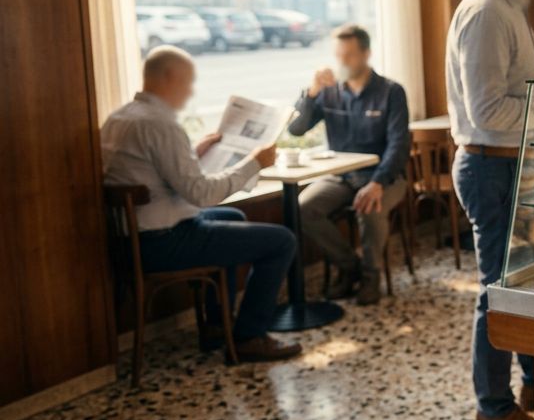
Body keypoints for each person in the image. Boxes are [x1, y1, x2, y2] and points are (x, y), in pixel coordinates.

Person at [101, 47, 300, 362]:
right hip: (160, 242)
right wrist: (254, 163)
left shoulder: (121, 117)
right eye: (188, 83)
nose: (190, 92)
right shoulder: (160, 124)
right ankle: (249, 337)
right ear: (170, 78)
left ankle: (218, 325)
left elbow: (155, 172)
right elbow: (201, 194)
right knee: (282, 240)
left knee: (232, 216)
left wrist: (197, 151)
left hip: (131, 241)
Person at [446, 0, 534, 420]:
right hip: (491, 166)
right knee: (498, 292)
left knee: (527, 283)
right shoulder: (488, 12)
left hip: (514, 163)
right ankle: (493, 408)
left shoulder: (510, 6)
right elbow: (488, 112)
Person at [289, 25, 410, 306]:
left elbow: (398, 145)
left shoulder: (391, 91)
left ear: (366, 54)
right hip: (340, 176)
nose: (342, 61)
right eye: (338, 55)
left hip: (384, 176)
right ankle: (350, 267)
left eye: (349, 55)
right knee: (302, 208)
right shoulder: (329, 92)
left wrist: (377, 183)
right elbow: (296, 130)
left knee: (369, 206)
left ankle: (370, 277)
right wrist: (312, 92)